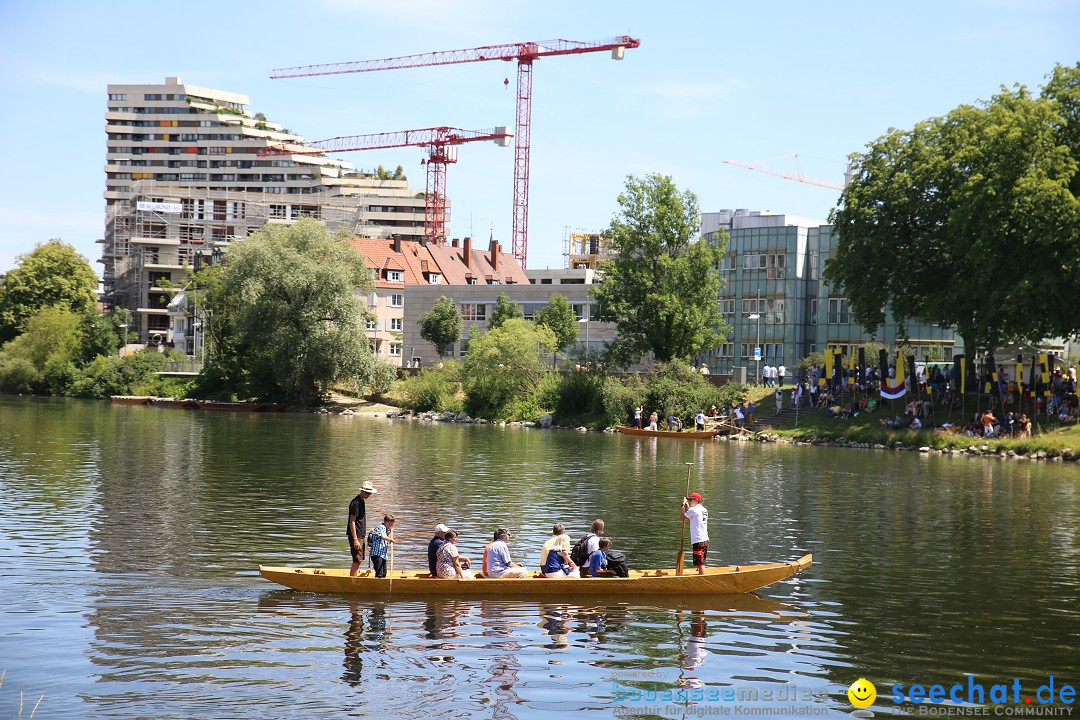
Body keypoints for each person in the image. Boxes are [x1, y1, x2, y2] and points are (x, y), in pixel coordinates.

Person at [347, 481, 377, 576]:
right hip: (356, 535)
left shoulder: (361, 501)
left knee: (359, 559)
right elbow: (352, 521)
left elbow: (360, 520)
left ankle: (353, 579)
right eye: (367, 493)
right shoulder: (356, 502)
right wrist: (355, 539)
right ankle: (352, 582)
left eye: (370, 493)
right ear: (362, 491)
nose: (369, 495)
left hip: (360, 534)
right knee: (357, 560)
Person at [681, 492, 709, 575]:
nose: (689, 501)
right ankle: (701, 577)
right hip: (705, 540)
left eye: (691, 500)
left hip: (698, 540)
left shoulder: (694, 510)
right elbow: (692, 519)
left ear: (696, 500)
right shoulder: (704, 509)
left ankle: (703, 581)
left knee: (700, 563)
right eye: (688, 500)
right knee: (701, 562)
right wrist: (687, 508)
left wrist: (682, 506)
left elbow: (682, 517)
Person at [369, 513, 395, 579]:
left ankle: (382, 586)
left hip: (383, 555)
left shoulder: (386, 530)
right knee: (379, 573)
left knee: (384, 573)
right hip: (377, 555)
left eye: (391, 525)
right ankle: (376, 586)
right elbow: (383, 537)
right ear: (385, 522)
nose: (390, 526)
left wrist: (390, 534)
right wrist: (391, 539)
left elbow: (385, 539)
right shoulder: (381, 527)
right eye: (389, 524)